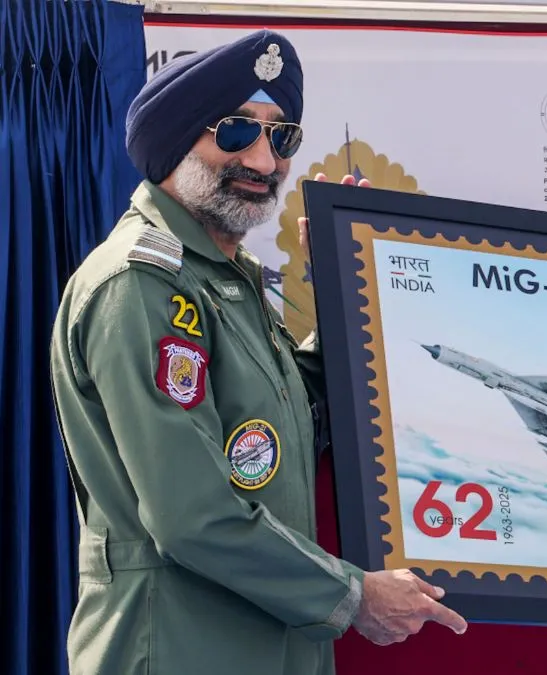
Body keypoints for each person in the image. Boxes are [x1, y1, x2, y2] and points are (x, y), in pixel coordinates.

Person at [49, 30, 466, 675]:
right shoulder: (142, 284)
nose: (266, 162)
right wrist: (354, 597)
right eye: (238, 131)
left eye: (282, 138)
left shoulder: (222, 279)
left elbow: (285, 421)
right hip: (180, 649)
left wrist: (342, 281)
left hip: (271, 645)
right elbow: (193, 515)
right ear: (175, 140)